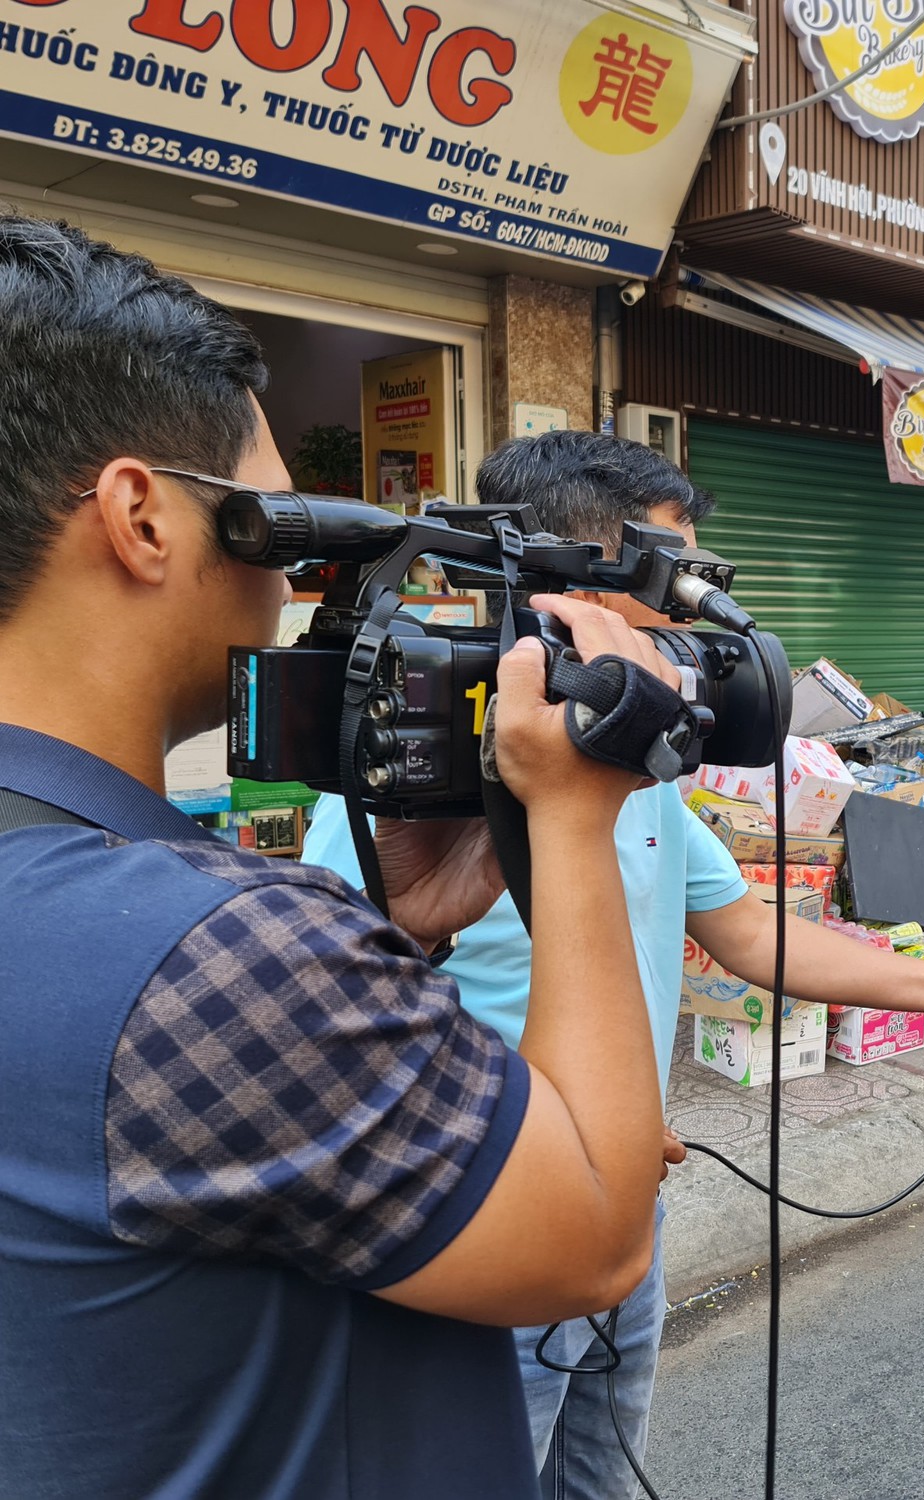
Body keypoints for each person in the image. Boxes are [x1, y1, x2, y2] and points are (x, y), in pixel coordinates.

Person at [0, 212, 680, 1496]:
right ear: (143, 519)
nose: (301, 580)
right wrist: (575, 816)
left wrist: (400, 933)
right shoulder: (208, 954)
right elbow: (595, 1234)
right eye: (281, 523)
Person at [304, 430, 924, 1497]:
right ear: (570, 583)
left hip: (626, 1204)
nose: (703, 615)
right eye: (685, 581)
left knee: (604, 1472)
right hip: (487, 1218)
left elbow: (746, 932)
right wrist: (561, 1125)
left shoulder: (636, 762)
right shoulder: (405, 779)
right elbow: (338, 1042)